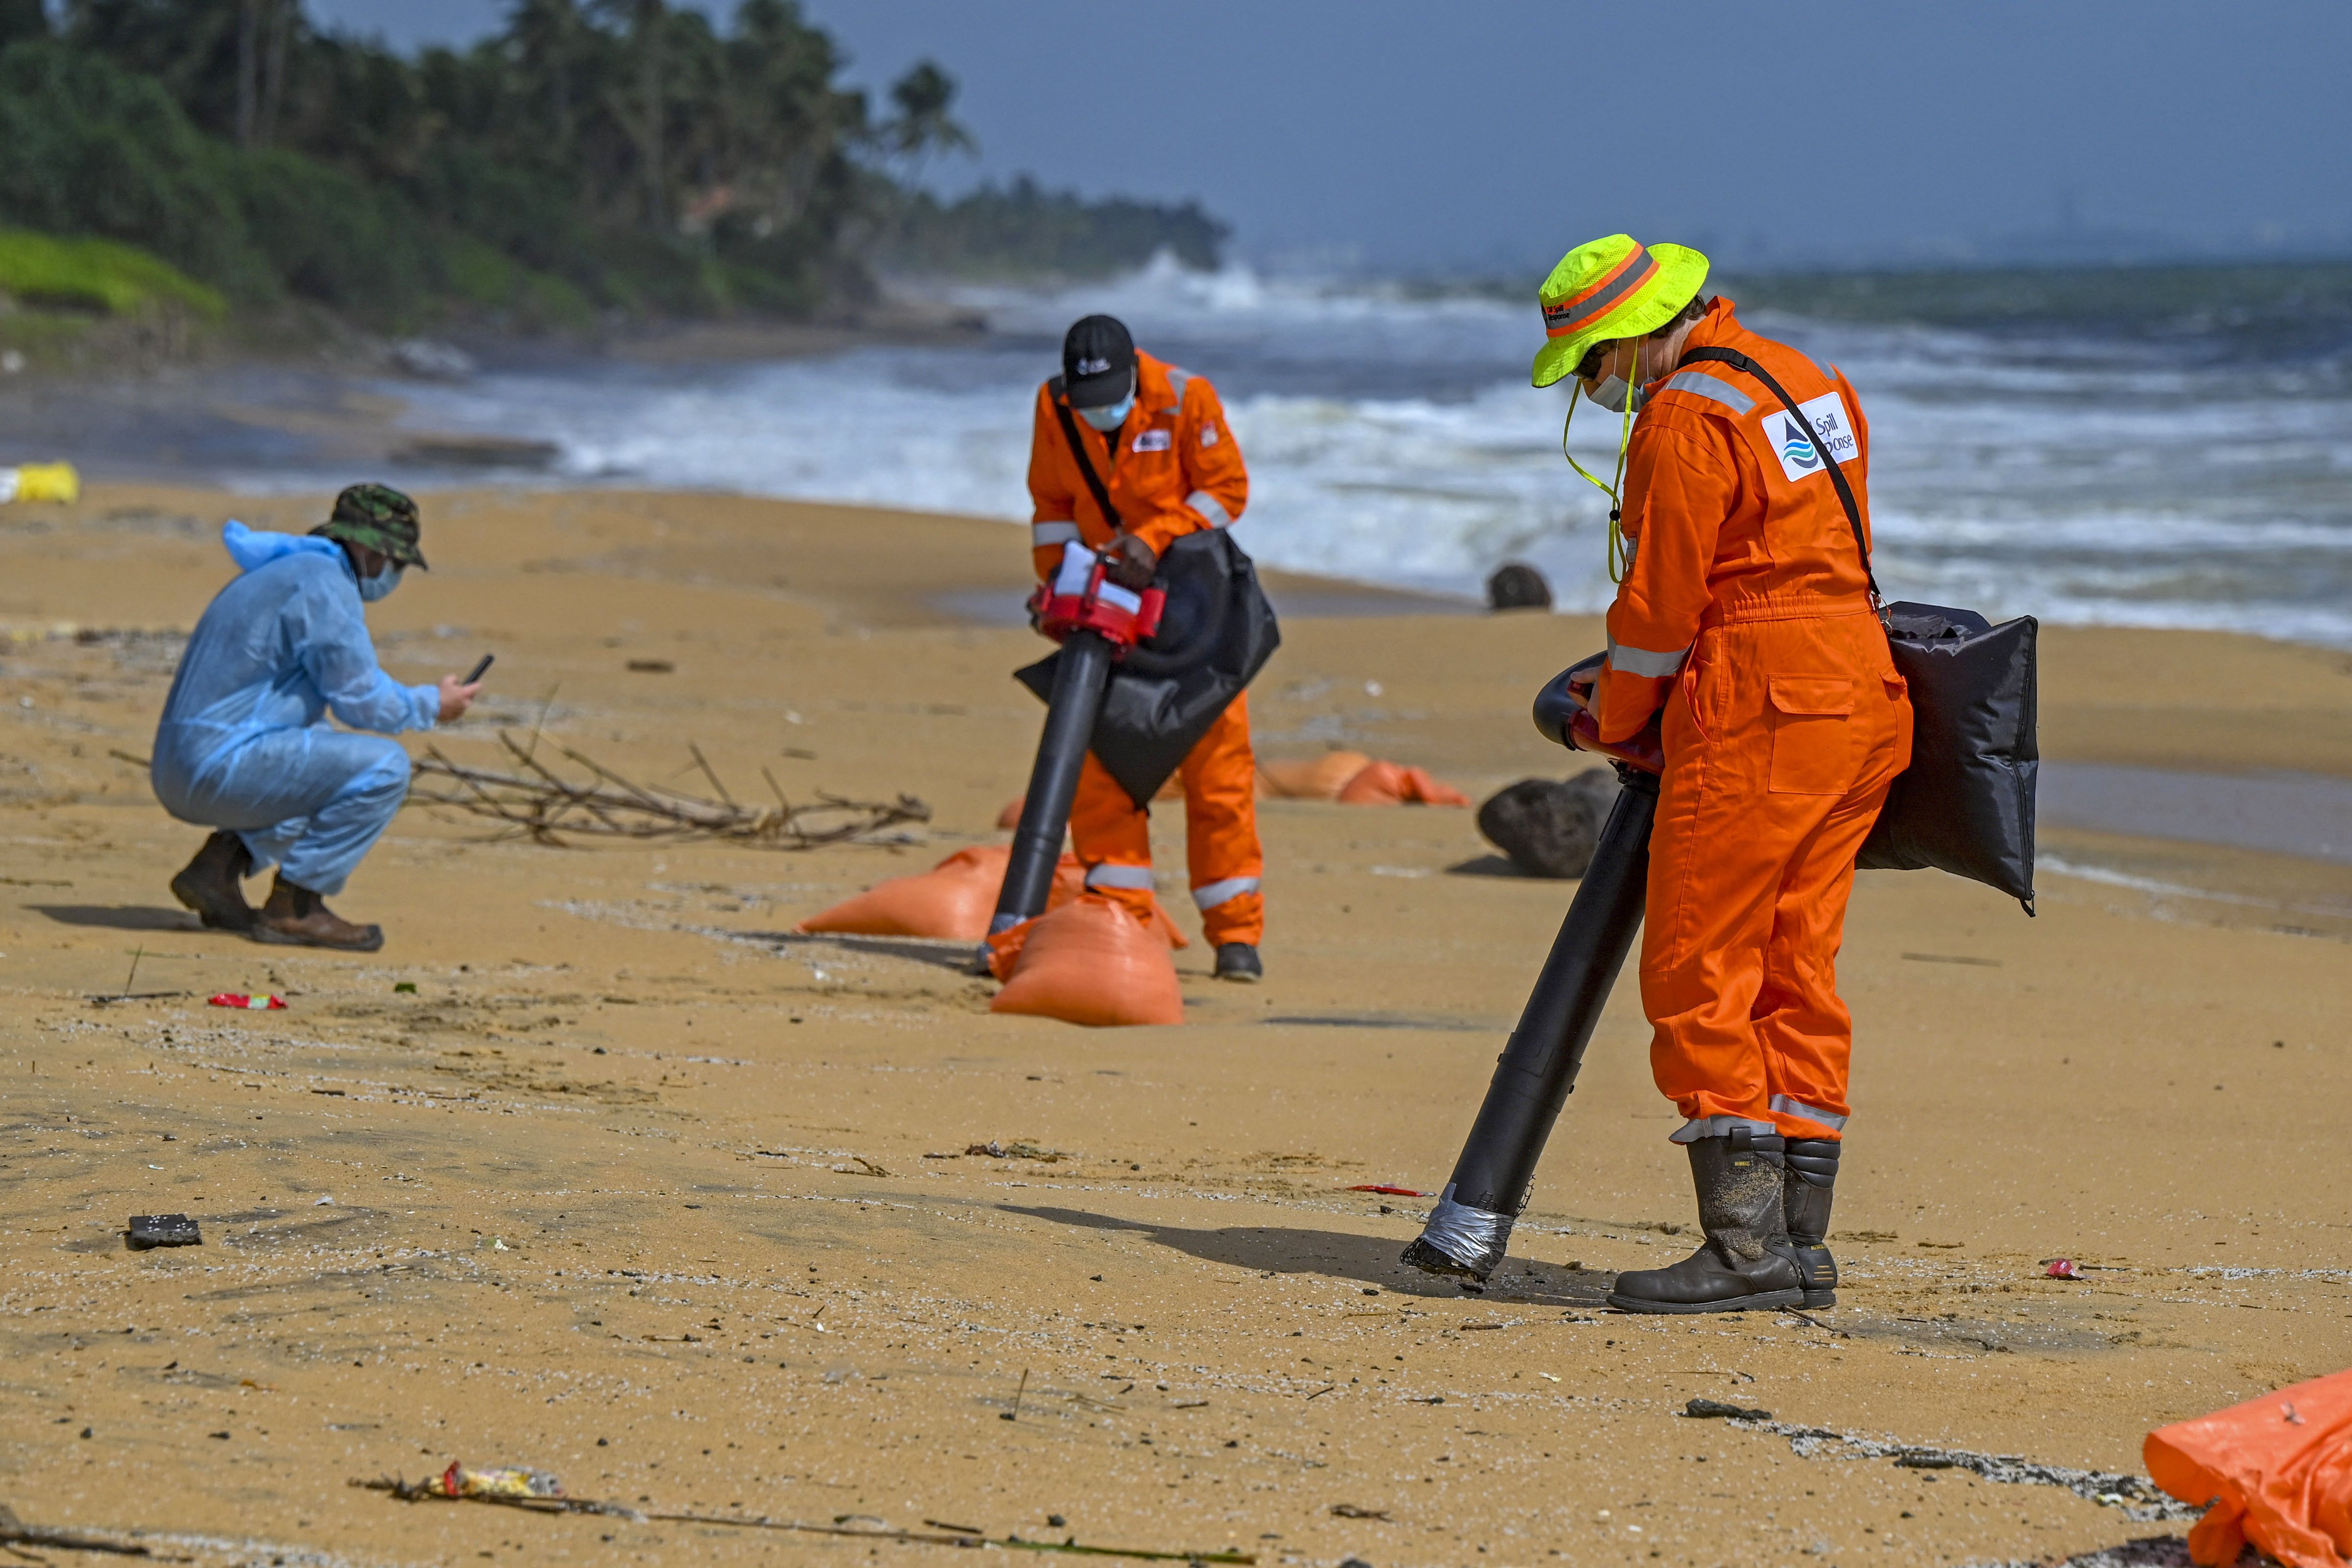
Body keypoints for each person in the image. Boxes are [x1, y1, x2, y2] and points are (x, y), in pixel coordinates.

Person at [1535, 235, 1913, 1313]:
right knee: (1797, 961)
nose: (1593, 389)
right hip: (1859, 685)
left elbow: (1659, 611)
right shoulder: (1806, 376)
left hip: (1762, 698)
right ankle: (1802, 1247)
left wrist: (1610, 717)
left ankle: (1743, 1251)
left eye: (1590, 365)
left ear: (1626, 336)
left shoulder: (1682, 418)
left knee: (1698, 959)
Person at [1027, 314, 1265, 981]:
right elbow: (1051, 506)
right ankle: (1121, 918)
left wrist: (1154, 538)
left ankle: (1235, 935)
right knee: (1100, 768)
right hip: (1105, 607)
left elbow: (1227, 491)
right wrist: (1057, 586)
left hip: (1196, 605)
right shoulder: (1054, 406)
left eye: (1111, 401)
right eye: (1088, 403)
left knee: (1218, 773)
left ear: (1135, 375)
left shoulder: (1186, 397)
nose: (1099, 414)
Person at [153, 484, 481, 952]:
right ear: (372, 551)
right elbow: (360, 699)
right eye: (396, 562)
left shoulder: (280, 571)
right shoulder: (324, 584)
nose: (393, 574)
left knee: (320, 745)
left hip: (180, 763)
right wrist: (431, 704)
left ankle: (217, 870)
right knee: (384, 769)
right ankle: (296, 907)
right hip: (216, 766)